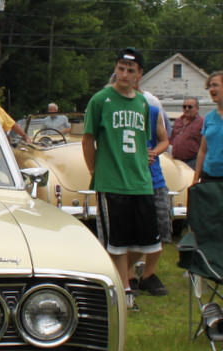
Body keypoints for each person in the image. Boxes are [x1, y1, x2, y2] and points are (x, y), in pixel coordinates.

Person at [82, 47, 159, 312]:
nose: (124, 74)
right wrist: (95, 172)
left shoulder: (143, 103)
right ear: (115, 68)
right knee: (116, 242)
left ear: (139, 74)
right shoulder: (101, 99)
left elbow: (142, 140)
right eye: (121, 68)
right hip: (112, 182)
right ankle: (125, 291)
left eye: (130, 70)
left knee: (148, 242)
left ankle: (114, 277)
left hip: (140, 181)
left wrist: (145, 160)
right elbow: (88, 138)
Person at [128, 90, 171, 297]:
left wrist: (154, 152)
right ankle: (128, 276)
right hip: (128, 181)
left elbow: (164, 139)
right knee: (130, 232)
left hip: (155, 180)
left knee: (160, 229)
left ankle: (148, 275)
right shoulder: (116, 112)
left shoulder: (153, 111)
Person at [193, 72, 223, 184]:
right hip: (208, 176)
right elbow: (202, 150)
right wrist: (196, 178)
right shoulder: (209, 117)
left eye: (215, 85)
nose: (211, 89)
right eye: (210, 86)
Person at [170, 97, 204, 170]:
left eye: (190, 107)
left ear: (197, 108)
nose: (187, 109)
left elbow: (206, 144)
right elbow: (172, 140)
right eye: (184, 106)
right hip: (177, 161)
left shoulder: (202, 122)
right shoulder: (178, 121)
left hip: (193, 161)